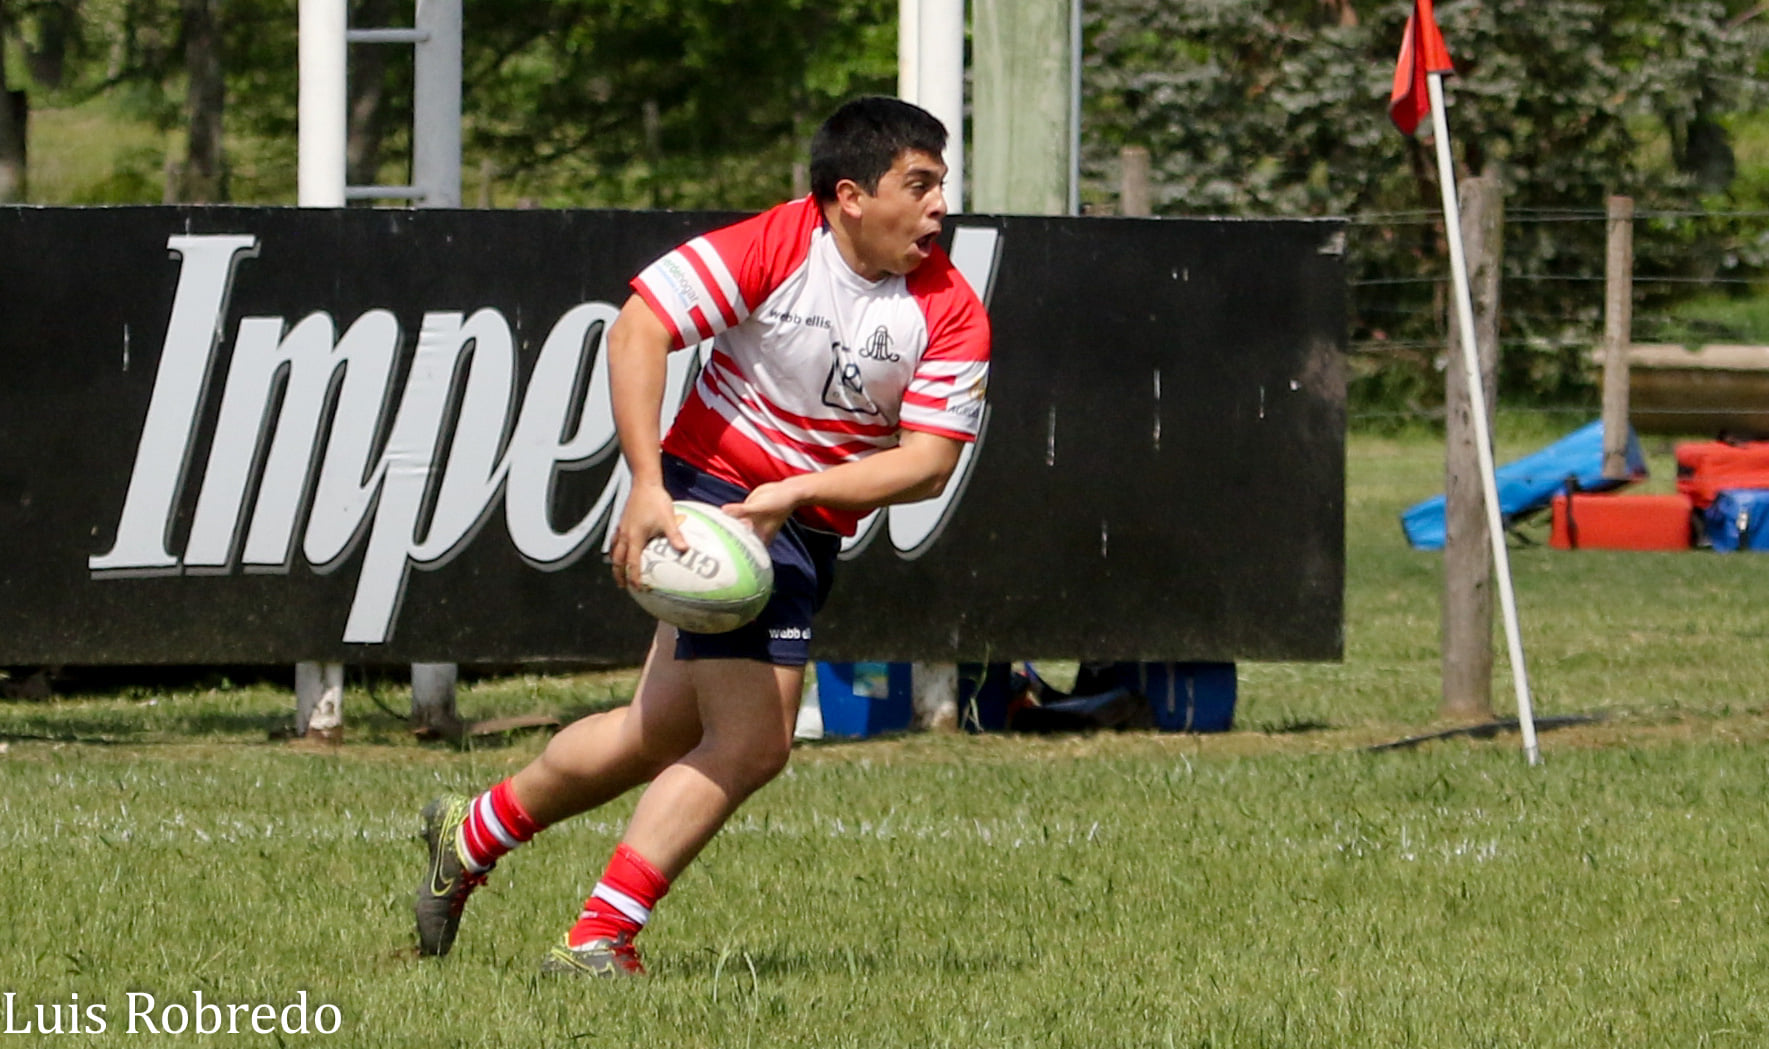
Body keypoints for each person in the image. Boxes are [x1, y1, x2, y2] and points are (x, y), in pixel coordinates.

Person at [413, 95, 991, 977]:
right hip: (715, 499)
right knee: (754, 741)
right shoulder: (776, 243)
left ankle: (470, 833)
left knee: (653, 733)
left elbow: (928, 463)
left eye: (940, 185)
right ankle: (598, 938)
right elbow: (638, 327)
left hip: (797, 515)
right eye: (918, 186)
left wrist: (798, 489)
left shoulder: (950, 308)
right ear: (849, 196)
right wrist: (648, 485)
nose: (939, 207)